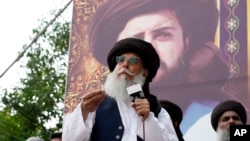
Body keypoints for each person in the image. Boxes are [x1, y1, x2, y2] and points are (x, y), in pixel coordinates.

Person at [87, 0, 231, 135]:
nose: (149, 49)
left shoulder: (218, 117)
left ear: (186, 43)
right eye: (136, 39)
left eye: (163, 35)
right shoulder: (98, 120)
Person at [62, 38, 178, 141]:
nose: (125, 65)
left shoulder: (157, 110)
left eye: (133, 61)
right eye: (120, 60)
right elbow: (69, 139)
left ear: (145, 73)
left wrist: (148, 119)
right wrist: (83, 112)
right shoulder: (96, 105)